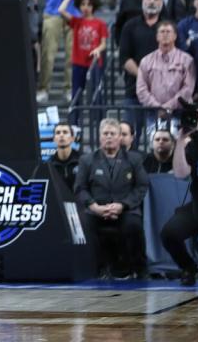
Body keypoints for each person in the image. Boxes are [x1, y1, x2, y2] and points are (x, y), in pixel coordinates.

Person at [75, 117, 149, 278]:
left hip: (126, 210)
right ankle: (97, 269)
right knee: (83, 224)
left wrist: (123, 205)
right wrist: (94, 207)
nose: (108, 136)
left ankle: (139, 269)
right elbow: (80, 189)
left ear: (119, 137)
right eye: (105, 133)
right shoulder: (86, 160)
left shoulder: (134, 159)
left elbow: (141, 186)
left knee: (133, 225)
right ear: (100, 136)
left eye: (112, 133)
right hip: (95, 210)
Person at [162, 106, 198, 286]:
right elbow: (180, 173)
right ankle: (188, 267)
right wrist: (180, 141)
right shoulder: (195, 144)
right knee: (169, 234)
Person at [58, 0, 108, 109]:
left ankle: (99, 120)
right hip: (78, 63)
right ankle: (75, 124)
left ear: (93, 6)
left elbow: (104, 44)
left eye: (89, 4)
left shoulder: (100, 24)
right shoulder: (77, 21)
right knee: (76, 93)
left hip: (94, 63)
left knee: (96, 93)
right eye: (83, 4)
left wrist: (97, 49)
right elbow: (61, 10)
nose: (86, 7)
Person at [136, 20, 196, 113]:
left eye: (168, 32)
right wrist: (157, 108)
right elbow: (141, 90)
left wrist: (168, 107)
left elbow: (188, 89)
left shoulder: (187, 60)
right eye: (162, 32)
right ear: (157, 37)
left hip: (180, 112)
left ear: (175, 36)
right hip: (153, 113)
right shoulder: (146, 61)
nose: (165, 34)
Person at [48, 123, 80, 192]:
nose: (61, 135)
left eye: (65, 132)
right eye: (58, 133)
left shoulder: (83, 162)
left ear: (72, 138)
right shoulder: (49, 165)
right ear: (54, 139)